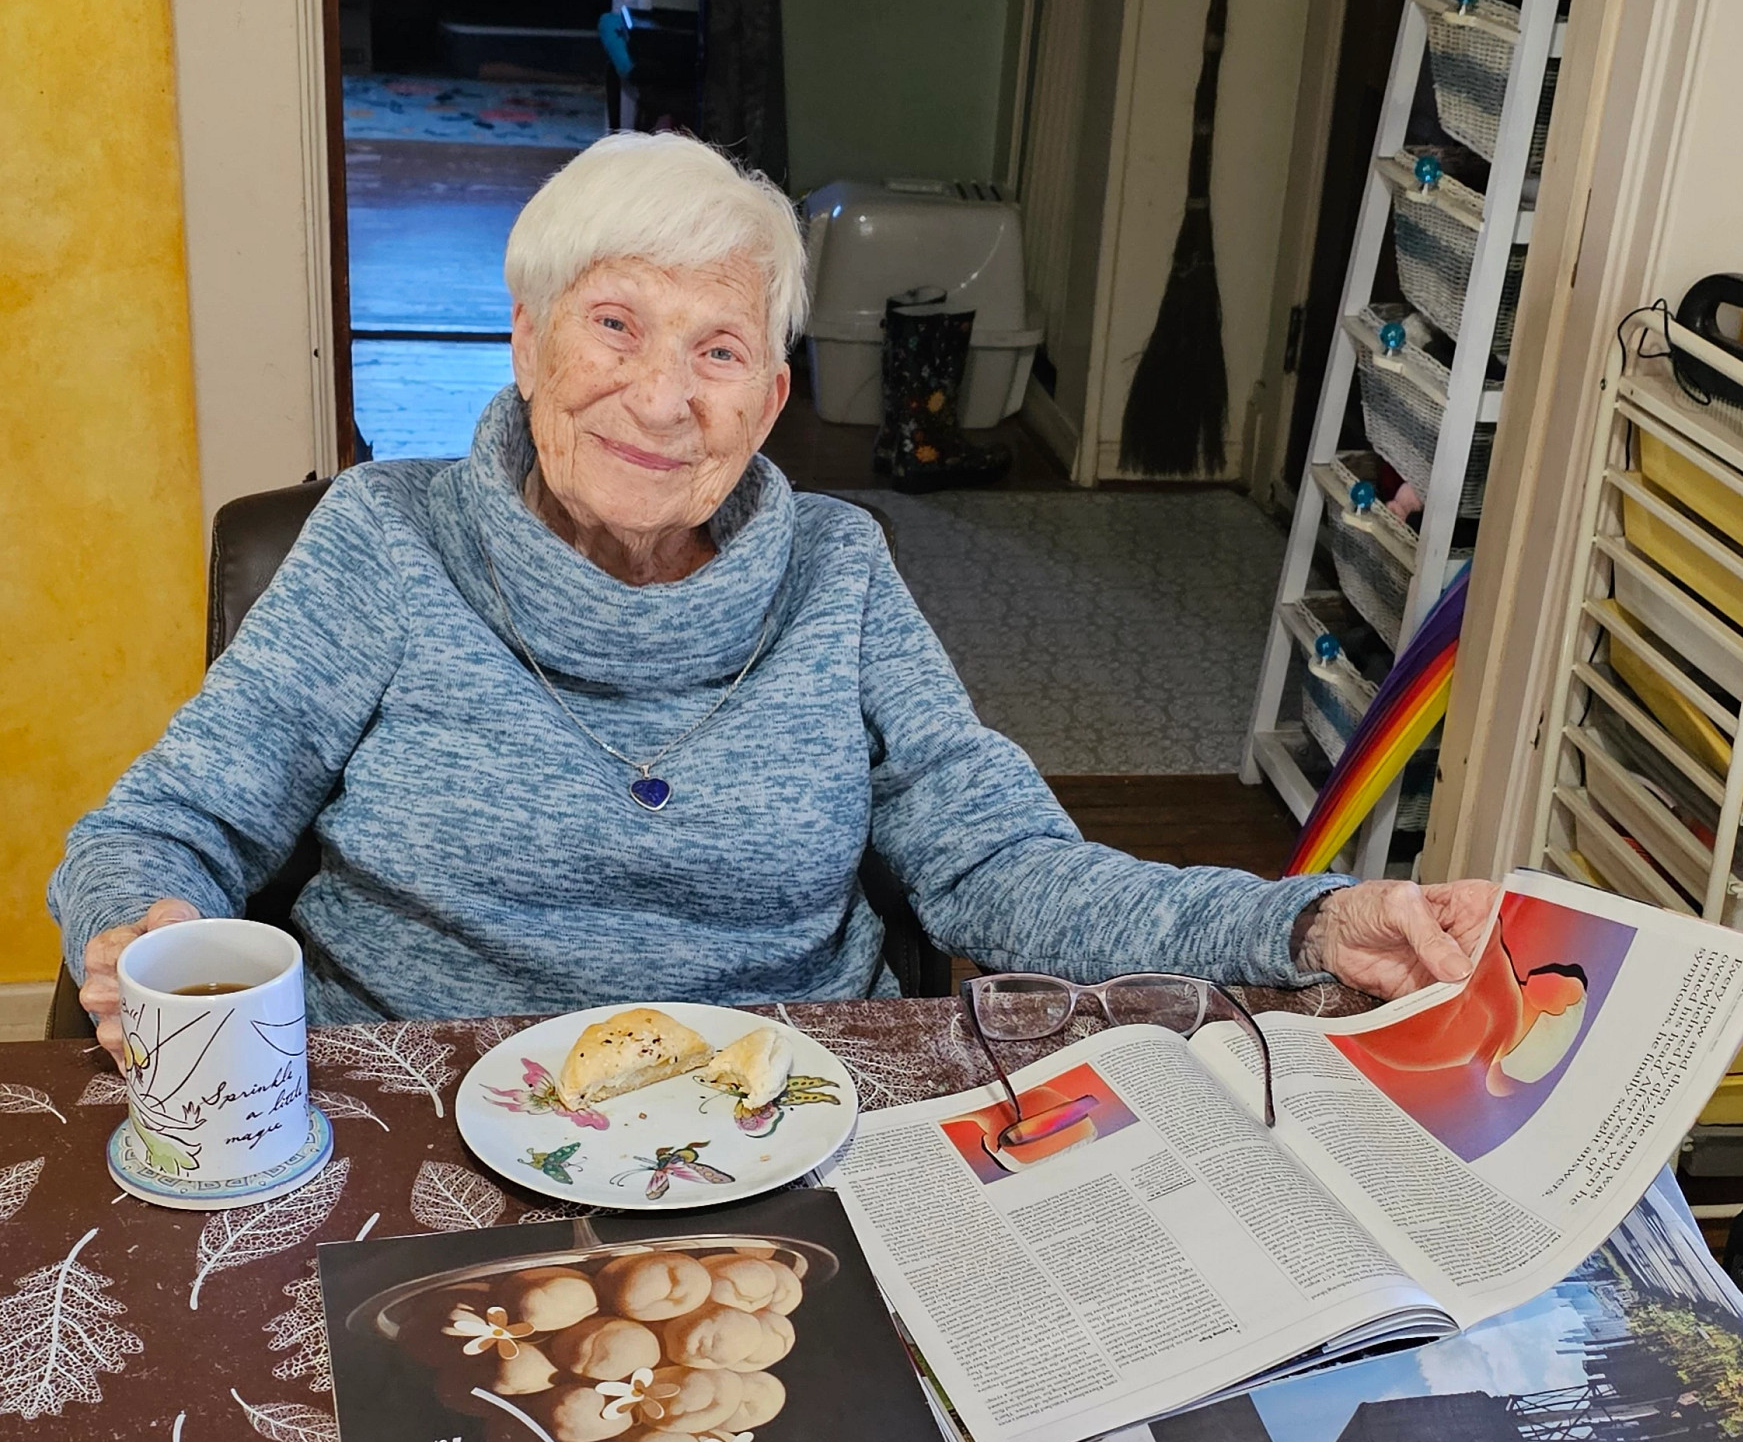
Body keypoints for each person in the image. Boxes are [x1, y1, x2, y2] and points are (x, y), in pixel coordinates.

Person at [52, 133, 1497, 1070]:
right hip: (424, 1105)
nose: (662, 397)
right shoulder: (384, 540)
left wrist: (1304, 927)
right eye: (615, 324)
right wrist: (145, 934)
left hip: (786, 1115)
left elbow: (1007, 869)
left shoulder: (841, 573)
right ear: (527, 338)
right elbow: (158, 830)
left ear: (776, 399)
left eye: (721, 350)